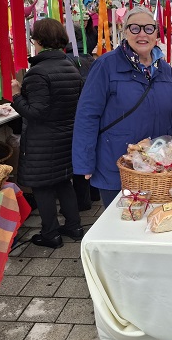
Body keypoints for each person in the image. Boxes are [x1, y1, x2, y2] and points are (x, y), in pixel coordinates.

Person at [72, 6, 172, 207]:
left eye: (149, 28)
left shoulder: (165, 69)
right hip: (118, 165)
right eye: (135, 28)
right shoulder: (106, 65)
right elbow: (87, 114)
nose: (142, 34)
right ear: (125, 31)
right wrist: (84, 162)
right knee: (122, 220)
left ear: (156, 33)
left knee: (157, 218)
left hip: (158, 167)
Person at [11, 18, 83, 249]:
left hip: (42, 140)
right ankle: (74, 226)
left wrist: (16, 96)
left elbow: (36, 112)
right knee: (63, 181)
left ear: (39, 41)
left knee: (42, 186)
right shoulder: (71, 67)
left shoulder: (37, 73)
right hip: (66, 136)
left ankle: (50, 233)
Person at [65, 23, 101, 210]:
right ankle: (94, 194)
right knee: (90, 153)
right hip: (92, 113)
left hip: (75, 114)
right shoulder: (90, 59)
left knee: (80, 157)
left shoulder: (68, 60)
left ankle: (83, 202)